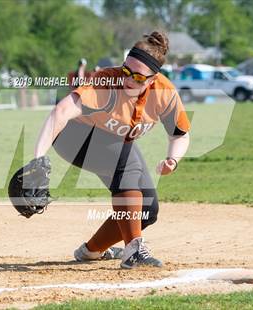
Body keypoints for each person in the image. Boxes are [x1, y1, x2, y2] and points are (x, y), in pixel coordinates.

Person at [33, 31, 190, 269]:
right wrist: (37, 159)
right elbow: (60, 112)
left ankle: (91, 251)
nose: (128, 79)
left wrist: (173, 159)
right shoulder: (108, 81)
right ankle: (134, 251)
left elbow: (180, 134)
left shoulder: (164, 94)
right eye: (126, 70)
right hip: (72, 136)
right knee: (127, 165)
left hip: (116, 142)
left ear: (153, 79)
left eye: (138, 77)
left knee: (147, 208)